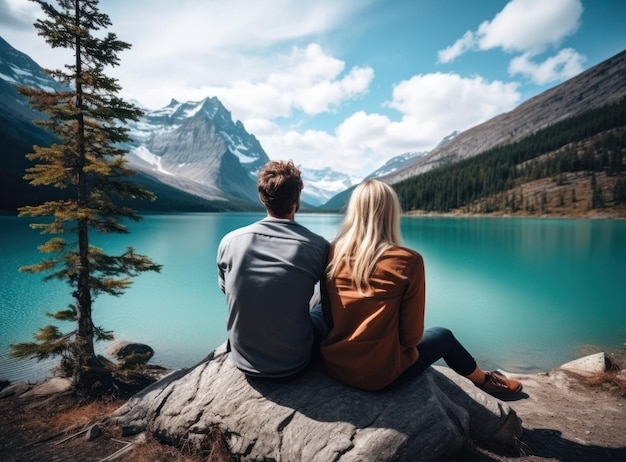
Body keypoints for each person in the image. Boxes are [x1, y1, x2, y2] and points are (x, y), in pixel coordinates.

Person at [320, 179, 522, 399]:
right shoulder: (408, 261)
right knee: (444, 336)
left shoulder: (333, 252)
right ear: (391, 213)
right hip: (378, 376)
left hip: (336, 367)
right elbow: (411, 338)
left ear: (354, 212)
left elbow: (329, 319)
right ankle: (485, 381)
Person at [217, 160, 330, 378]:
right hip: (295, 361)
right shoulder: (318, 246)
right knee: (324, 297)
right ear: (297, 199)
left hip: (241, 357)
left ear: (262, 197)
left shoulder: (229, 241)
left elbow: (228, 290)